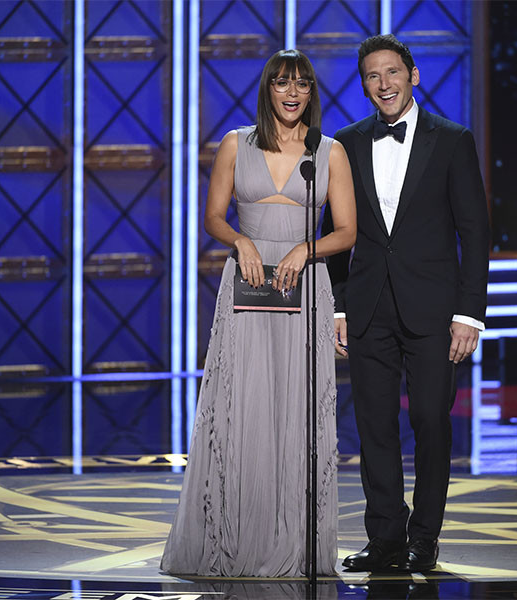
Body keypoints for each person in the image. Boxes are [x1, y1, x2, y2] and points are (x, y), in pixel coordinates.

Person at [160, 49, 356, 577]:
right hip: (245, 285)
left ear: (312, 93)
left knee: (296, 413)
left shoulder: (329, 151)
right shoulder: (235, 143)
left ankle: (293, 540)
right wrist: (243, 241)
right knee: (241, 409)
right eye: (281, 83)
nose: (292, 93)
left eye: (302, 84)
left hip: (304, 286)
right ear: (267, 89)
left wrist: (305, 249)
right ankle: (232, 538)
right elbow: (212, 218)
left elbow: (347, 232)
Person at [324, 34, 490, 572]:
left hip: (435, 313)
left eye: (392, 72)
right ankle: (387, 540)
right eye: (373, 75)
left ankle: (425, 536)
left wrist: (469, 314)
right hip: (370, 309)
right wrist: (341, 307)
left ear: (413, 76)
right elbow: (337, 233)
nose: (384, 83)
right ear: (363, 85)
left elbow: (476, 232)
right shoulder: (344, 144)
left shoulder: (452, 140)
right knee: (373, 427)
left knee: (430, 422)